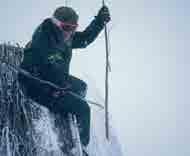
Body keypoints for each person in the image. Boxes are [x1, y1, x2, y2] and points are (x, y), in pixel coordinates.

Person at [18, 5, 110, 148]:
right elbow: (49, 67)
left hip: (54, 80)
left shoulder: (63, 35)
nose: (71, 32)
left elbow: (85, 39)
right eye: (67, 28)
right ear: (56, 23)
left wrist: (99, 21)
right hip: (37, 86)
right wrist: (60, 86)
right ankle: (78, 148)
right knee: (83, 109)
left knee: (82, 87)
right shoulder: (44, 39)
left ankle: (66, 113)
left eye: (74, 28)